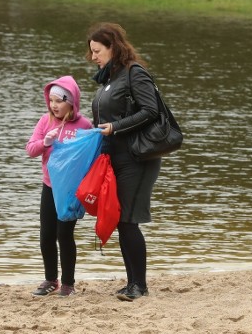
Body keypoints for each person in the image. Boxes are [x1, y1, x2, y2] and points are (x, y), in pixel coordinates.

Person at [85, 22, 161, 302]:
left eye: (97, 51)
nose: (93, 57)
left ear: (113, 47)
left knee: (128, 219)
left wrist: (116, 128)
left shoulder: (134, 73)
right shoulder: (108, 79)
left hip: (138, 158)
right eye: (91, 52)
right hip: (116, 158)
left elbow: (151, 111)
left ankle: (139, 286)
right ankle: (133, 283)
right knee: (120, 220)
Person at [26, 76, 93, 297]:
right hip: (50, 186)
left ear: (71, 102)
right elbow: (30, 150)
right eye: (51, 100)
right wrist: (45, 142)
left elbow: (91, 155)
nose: (53, 105)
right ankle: (50, 279)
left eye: (59, 101)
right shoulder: (45, 122)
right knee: (46, 235)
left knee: (64, 235)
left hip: (71, 192)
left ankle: (68, 283)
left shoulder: (83, 125)